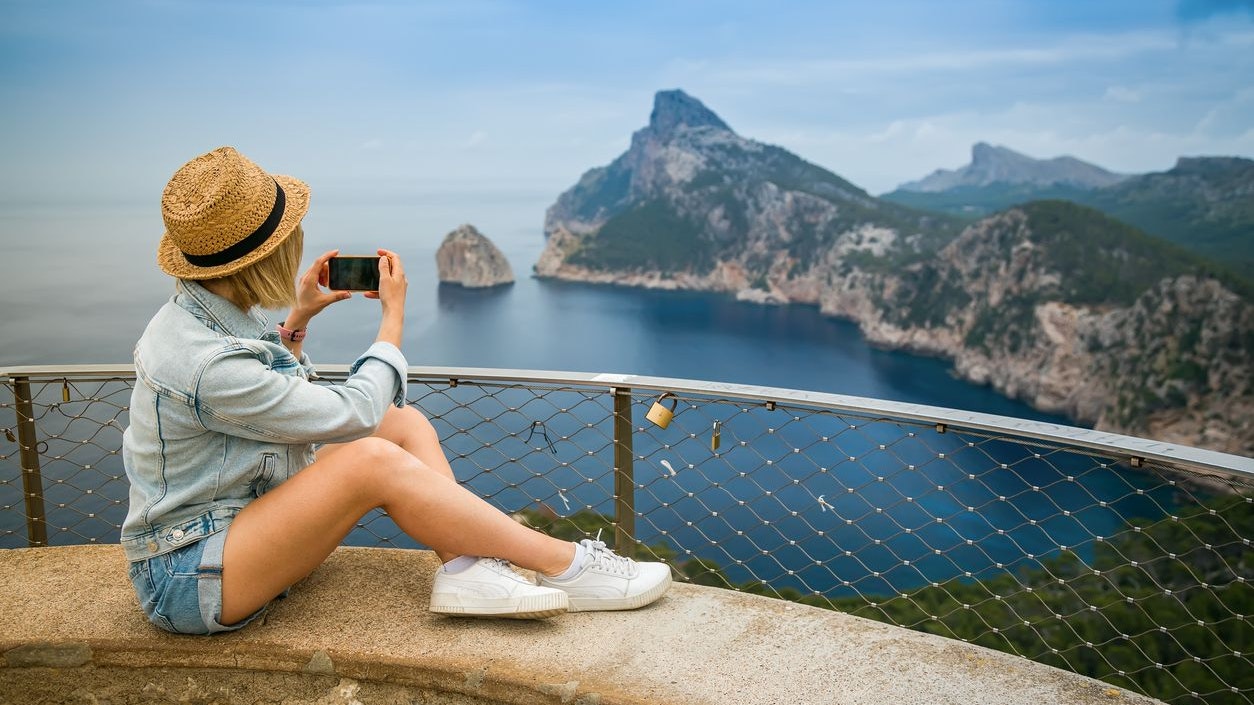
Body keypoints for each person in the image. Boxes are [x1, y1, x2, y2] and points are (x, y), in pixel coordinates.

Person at [121, 146, 671, 634]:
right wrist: (393, 319)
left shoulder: (204, 320)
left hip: (237, 534)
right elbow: (354, 413)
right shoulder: (205, 360)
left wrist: (297, 321)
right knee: (371, 460)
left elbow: (264, 400)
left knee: (402, 423)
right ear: (268, 255)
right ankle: (568, 565)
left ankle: (467, 569)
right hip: (189, 577)